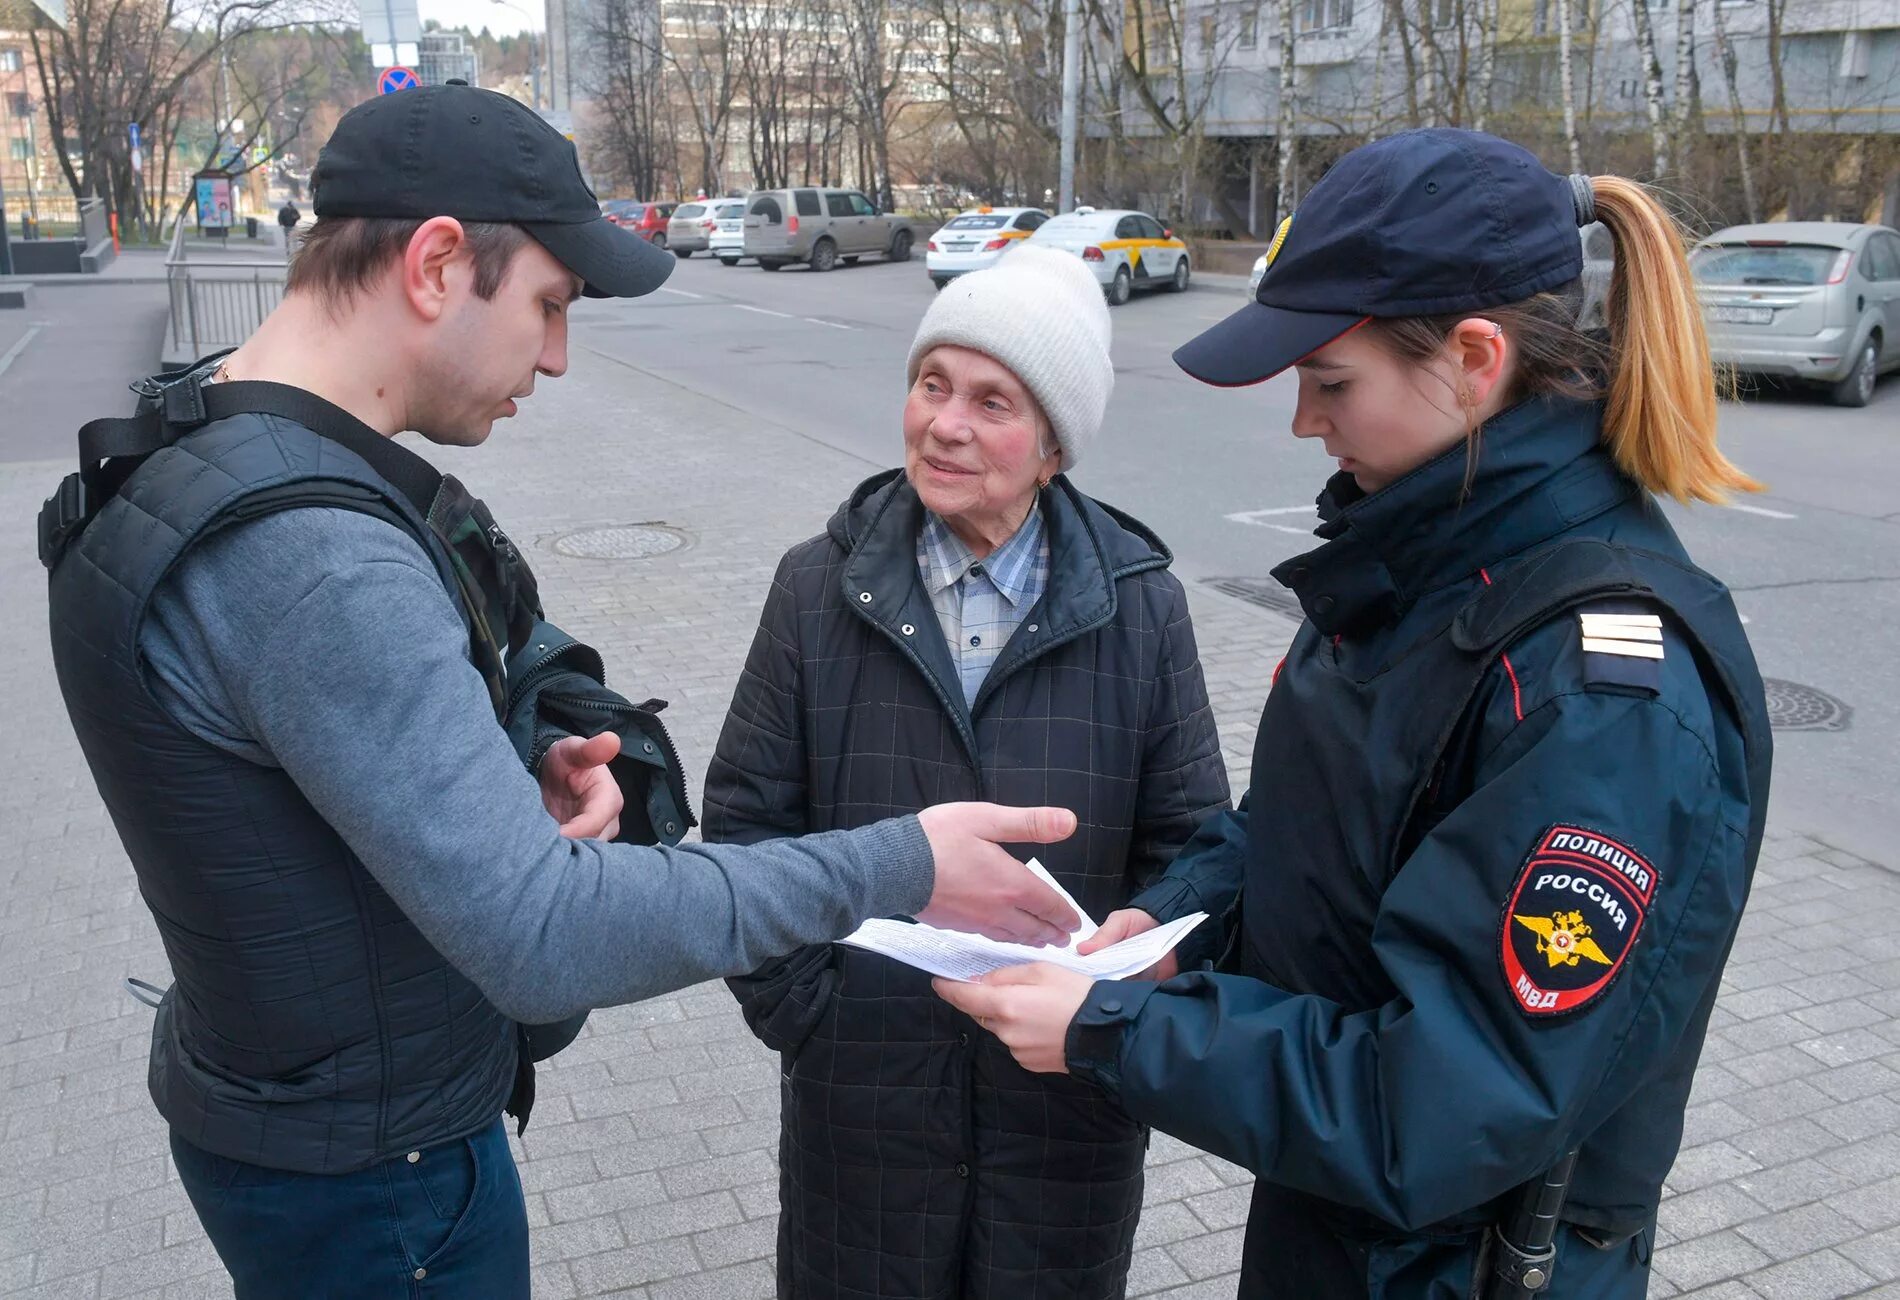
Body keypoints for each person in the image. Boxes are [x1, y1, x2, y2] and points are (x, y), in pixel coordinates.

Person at [38, 83, 1082, 1299]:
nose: (557, 353)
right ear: (436, 264)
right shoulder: (317, 558)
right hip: (385, 1187)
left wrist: (491, 786)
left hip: (289, 1111)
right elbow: (544, 938)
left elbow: (294, 792)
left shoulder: (189, 444)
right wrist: (903, 858)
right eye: (548, 303)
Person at [939, 128, 1774, 1300]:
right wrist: (1172, 926)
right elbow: (1306, 822)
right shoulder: (1417, 559)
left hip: (1450, 1267)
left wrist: (1117, 1030)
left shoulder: (1595, 698)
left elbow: (1446, 1102)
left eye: (1330, 382)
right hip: (1340, 1231)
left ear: (1475, 360)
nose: (1302, 423)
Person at [707, 245, 1231, 1299]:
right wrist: (815, 1014)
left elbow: (1197, 845)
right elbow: (743, 830)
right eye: (931, 384)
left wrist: (1136, 977)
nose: (944, 423)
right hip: (861, 1113)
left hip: (1065, 1112)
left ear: (1051, 446)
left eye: (991, 401)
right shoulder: (818, 587)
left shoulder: (1141, 605)